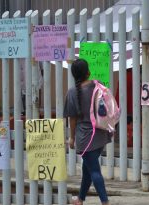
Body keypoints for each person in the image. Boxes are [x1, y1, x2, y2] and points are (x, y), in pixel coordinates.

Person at [64, 59, 111, 205]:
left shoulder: (72, 93)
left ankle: (105, 202)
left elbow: (72, 119)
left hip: (85, 138)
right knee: (88, 169)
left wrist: (71, 138)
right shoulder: (98, 86)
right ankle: (80, 199)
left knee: (94, 171)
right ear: (88, 73)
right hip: (101, 134)